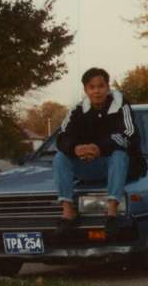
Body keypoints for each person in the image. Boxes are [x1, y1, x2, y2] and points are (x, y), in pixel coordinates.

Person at [53, 67, 139, 240]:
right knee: (60, 157)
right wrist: (76, 149)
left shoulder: (122, 105)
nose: (96, 91)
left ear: (108, 87)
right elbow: (62, 137)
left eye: (100, 86)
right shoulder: (77, 110)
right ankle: (68, 213)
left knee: (119, 154)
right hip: (88, 164)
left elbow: (129, 135)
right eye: (92, 87)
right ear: (86, 90)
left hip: (117, 166)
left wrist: (99, 148)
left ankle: (111, 214)